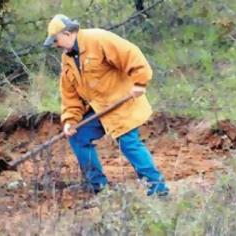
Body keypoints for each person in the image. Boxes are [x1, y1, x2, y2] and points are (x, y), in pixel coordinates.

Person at [43, 14, 169, 196]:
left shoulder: (99, 39)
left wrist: (140, 82)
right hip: (99, 109)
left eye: (56, 40)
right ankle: (98, 188)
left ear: (68, 33)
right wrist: (70, 120)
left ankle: (158, 190)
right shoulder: (67, 59)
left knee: (128, 143)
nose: (55, 45)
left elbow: (131, 54)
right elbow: (70, 95)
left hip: (123, 103)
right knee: (78, 136)